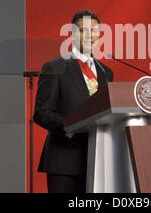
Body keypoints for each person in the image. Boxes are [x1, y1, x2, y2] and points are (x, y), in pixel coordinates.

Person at [33, 10, 114, 193]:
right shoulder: (55, 66)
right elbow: (41, 113)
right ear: (72, 34)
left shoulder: (105, 73)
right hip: (64, 162)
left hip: (98, 161)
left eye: (94, 31)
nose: (89, 36)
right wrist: (71, 126)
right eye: (84, 30)